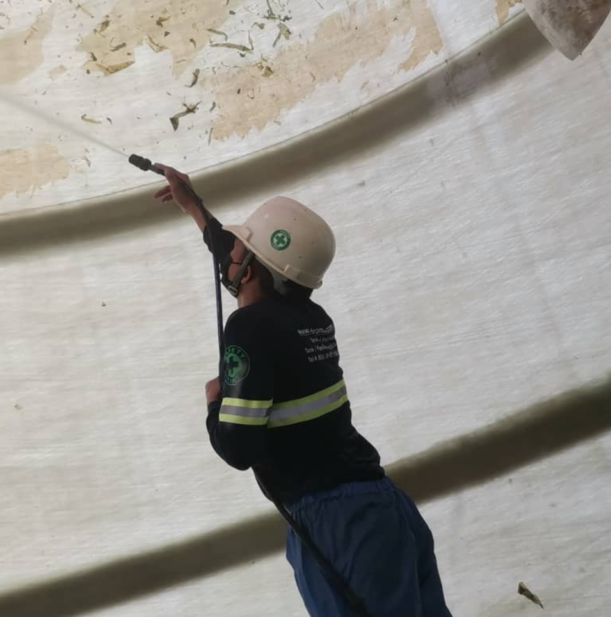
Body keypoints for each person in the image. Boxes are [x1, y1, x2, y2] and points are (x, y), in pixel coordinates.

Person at [154, 165, 452, 617]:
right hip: (383, 507)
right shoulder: (311, 318)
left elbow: (237, 447)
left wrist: (215, 402)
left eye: (241, 250)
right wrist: (194, 207)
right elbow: (241, 262)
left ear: (251, 271)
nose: (230, 255)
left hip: (338, 526)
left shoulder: (249, 326)